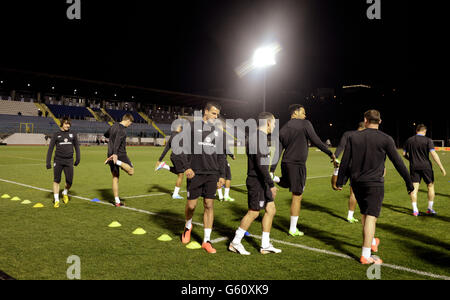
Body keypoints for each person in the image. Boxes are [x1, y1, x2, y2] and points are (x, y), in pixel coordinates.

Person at [335, 110, 414, 265]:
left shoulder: (353, 137)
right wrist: (409, 182)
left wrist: (340, 181)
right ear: (380, 121)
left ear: (365, 120)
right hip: (374, 184)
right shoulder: (386, 139)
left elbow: (345, 160)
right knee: (371, 217)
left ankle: (371, 243)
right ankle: (366, 255)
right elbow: (398, 162)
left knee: (365, 215)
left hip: (357, 183)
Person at [270, 104, 336, 237]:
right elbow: (316, 140)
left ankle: (273, 177)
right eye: (303, 112)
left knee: (287, 182)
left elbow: (278, 151)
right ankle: (293, 229)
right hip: (297, 164)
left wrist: (272, 169)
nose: (305, 115)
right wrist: (330, 153)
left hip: (285, 162)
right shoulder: (305, 124)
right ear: (295, 113)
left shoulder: (283, 129)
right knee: (297, 196)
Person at [229, 112, 281, 255]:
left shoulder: (261, 137)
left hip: (261, 180)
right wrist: (271, 184)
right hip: (256, 181)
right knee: (254, 212)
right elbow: (260, 165)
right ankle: (235, 242)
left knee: (271, 209)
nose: (275, 126)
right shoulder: (258, 138)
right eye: (274, 123)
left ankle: (265, 245)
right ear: (269, 123)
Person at [178, 102, 227, 254]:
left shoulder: (219, 132)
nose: (215, 116)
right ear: (205, 112)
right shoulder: (192, 127)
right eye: (213, 113)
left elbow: (221, 156)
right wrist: (186, 167)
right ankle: (188, 226)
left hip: (212, 174)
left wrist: (222, 175)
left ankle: (206, 240)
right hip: (195, 172)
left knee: (209, 205)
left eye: (217, 114)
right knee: (191, 206)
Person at [403, 124, 447, 216]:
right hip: (426, 167)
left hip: (414, 167)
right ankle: (430, 208)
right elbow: (434, 154)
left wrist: (410, 159)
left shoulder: (409, 140)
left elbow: (404, 154)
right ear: (424, 131)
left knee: (414, 189)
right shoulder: (428, 140)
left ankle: (415, 210)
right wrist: (441, 167)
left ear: (416, 130)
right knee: (430, 186)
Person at [331, 122, 366, 223]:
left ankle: (336, 169)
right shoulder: (365, 135)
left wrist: (336, 157)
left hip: (345, 164)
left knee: (336, 187)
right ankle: (350, 216)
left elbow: (341, 146)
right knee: (354, 192)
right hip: (358, 166)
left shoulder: (347, 134)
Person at [46, 117, 80, 208]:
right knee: (57, 180)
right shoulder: (56, 134)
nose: (67, 125)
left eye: (69, 124)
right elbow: (50, 149)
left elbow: (77, 147)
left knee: (69, 181)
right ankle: (56, 199)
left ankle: (65, 192)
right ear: (61, 124)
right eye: (66, 123)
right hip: (58, 160)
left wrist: (78, 158)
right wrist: (48, 162)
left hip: (69, 161)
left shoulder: (73, 134)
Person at [104, 113, 135, 207]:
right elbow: (117, 141)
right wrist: (115, 155)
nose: (130, 125)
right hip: (119, 154)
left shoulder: (113, 126)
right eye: (130, 123)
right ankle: (116, 161)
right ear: (127, 120)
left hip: (110, 154)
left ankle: (117, 202)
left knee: (115, 177)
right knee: (131, 171)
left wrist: (112, 151)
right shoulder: (122, 130)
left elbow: (106, 134)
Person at [155, 124, 186, 199]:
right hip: (178, 157)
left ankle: (164, 166)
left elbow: (166, 148)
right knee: (181, 175)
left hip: (173, 156)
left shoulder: (172, 135)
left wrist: (160, 159)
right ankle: (175, 194)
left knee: (179, 172)